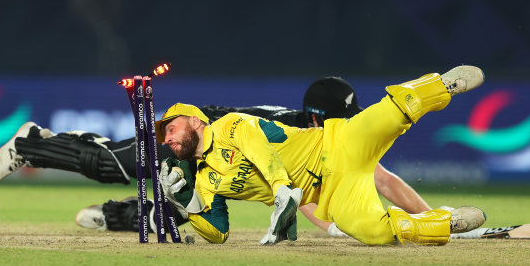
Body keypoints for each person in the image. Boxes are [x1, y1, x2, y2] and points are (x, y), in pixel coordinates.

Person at [0, 77, 429, 237]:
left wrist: (435, 216)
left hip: (215, 163)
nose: (349, 127)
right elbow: (304, 193)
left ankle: (115, 217)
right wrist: (336, 227)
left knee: (186, 213)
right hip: (197, 138)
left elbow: (383, 179)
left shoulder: (325, 134)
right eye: (344, 120)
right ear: (321, 120)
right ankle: (33, 143)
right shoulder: (301, 135)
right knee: (116, 165)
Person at [156, 66, 487, 246]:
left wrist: (281, 189)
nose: (167, 138)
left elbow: (260, 152)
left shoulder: (230, 124)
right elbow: (218, 235)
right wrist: (187, 200)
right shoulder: (203, 181)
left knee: (392, 113)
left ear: (194, 119)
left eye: (170, 129)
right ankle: (446, 222)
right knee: (375, 233)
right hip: (332, 194)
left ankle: (444, 85)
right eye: (163, 136)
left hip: (338, 143)